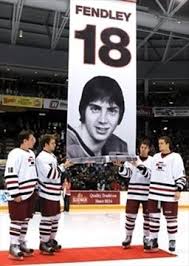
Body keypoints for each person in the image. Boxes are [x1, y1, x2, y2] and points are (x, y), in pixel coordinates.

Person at [67, 76, 128, 158]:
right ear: (83, 109)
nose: (102, 120)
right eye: (95, 109)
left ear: (120, 115)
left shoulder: (119, 146)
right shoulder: (69, 146)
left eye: (112, 111)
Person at [145, 136, 186, 252]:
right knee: (153, 218)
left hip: (169, 194)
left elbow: (181, 175)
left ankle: (172, 240)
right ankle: (153, 239)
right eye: (159, 144)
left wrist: (178, 189)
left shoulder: (176, 157)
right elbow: (149, 174)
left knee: (171, 219)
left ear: (168, 144)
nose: (159, 146)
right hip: (153, 193)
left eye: (162, 143)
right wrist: (138, 166)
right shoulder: (155, 157)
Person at [36, 134, 73, 254]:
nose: (55, 145)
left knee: (55, 218)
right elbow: (51, 175)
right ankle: (43, 243)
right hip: (47, 193)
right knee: (47, 218)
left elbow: (55, 174)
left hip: (54, 193)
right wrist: (63, 166)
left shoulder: (51, 156)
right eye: (52, 143)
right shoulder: (41, 157)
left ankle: (51, 240)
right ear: (46, 144)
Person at [4, 130, 37, 260]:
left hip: (30, 193)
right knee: (17, 220)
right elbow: (10, 173)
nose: (34, 140)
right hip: (19, 193)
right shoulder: (15, 153)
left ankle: (21, 242)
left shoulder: (31, 153)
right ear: (24, 140)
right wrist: (15, 192)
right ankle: (13, 246)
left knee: (25, 220)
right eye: (32, 138)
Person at [117, 139, 152, 249]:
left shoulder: (153, 161)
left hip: (147, 194)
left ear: (149, 149)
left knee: (148, 218)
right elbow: (127, 174)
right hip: (133, 193)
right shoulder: (132, 159)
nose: (143, 149)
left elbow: (150, 175)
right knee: (130, 217)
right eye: (141, 147)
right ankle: (128, 237)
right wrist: (121, 167)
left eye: (145, 147)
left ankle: (146, 238)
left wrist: (138, 165)